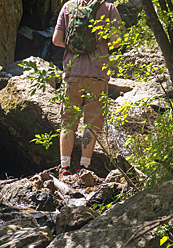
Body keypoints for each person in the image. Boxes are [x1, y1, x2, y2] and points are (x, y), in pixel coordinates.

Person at [52, 0, 122, 177]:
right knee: (92, 123)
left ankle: (64, 167)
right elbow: (116, 42)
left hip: (72, 72)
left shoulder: (69, 6)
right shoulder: (109, 9)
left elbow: (56, 40)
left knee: (68, 122)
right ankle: (84, 168)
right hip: (98, 74)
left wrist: (76, 45)